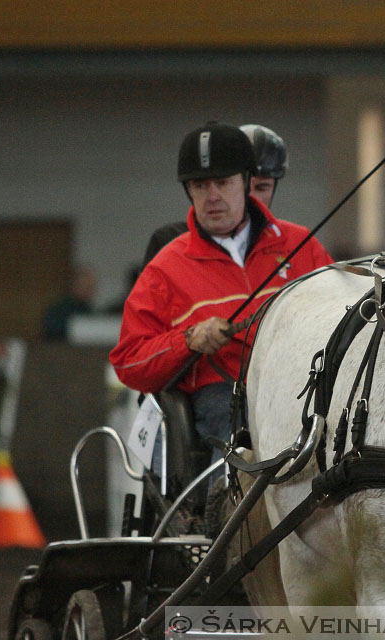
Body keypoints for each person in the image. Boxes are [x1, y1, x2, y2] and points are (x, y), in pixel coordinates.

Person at [110, 121, 332, 463]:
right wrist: (188, 340)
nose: (212, 196)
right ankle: (225, 511)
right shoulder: (164, 269)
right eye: (200, 185)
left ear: (245, 183)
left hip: (305, 389)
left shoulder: (302, 246)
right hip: (225, 396)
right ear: (189, 192)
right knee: (229, 420)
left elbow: (342, 318)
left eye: (223, 183)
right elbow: (129, 361)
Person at [141, 123, 289, 267]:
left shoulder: (293, 242)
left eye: (262, 188)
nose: (251, 196)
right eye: (225, 183)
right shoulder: (168, 242)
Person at [42, 266, 96, 340]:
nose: (91, 291)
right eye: (87, 287)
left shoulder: (88, 309)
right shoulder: (59, 308)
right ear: (76, 285)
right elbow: (52, 329)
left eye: (92, 287)